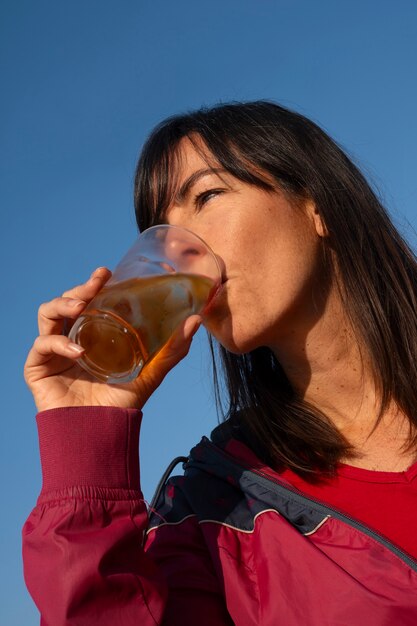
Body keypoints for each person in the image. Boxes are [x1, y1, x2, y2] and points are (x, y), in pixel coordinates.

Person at [23, 101, 417, 625]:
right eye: (161, 229)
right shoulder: (213, 507)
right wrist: (87, 438)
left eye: (207, 196)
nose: (182, 249)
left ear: (315, 206)